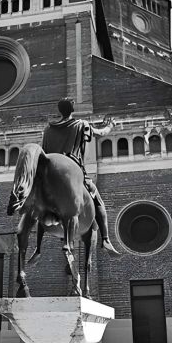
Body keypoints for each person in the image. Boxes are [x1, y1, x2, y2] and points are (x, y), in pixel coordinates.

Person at [41, 98, 120, 255]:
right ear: (73, 110)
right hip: (74, 173)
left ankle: (38, 243)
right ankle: (106, 239)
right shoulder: (80, 124)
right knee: (98, 201)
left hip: (50, 177)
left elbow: (43, 153)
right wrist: (110, 125)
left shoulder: (48, 130)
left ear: (59, 110)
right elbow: (101, 133)